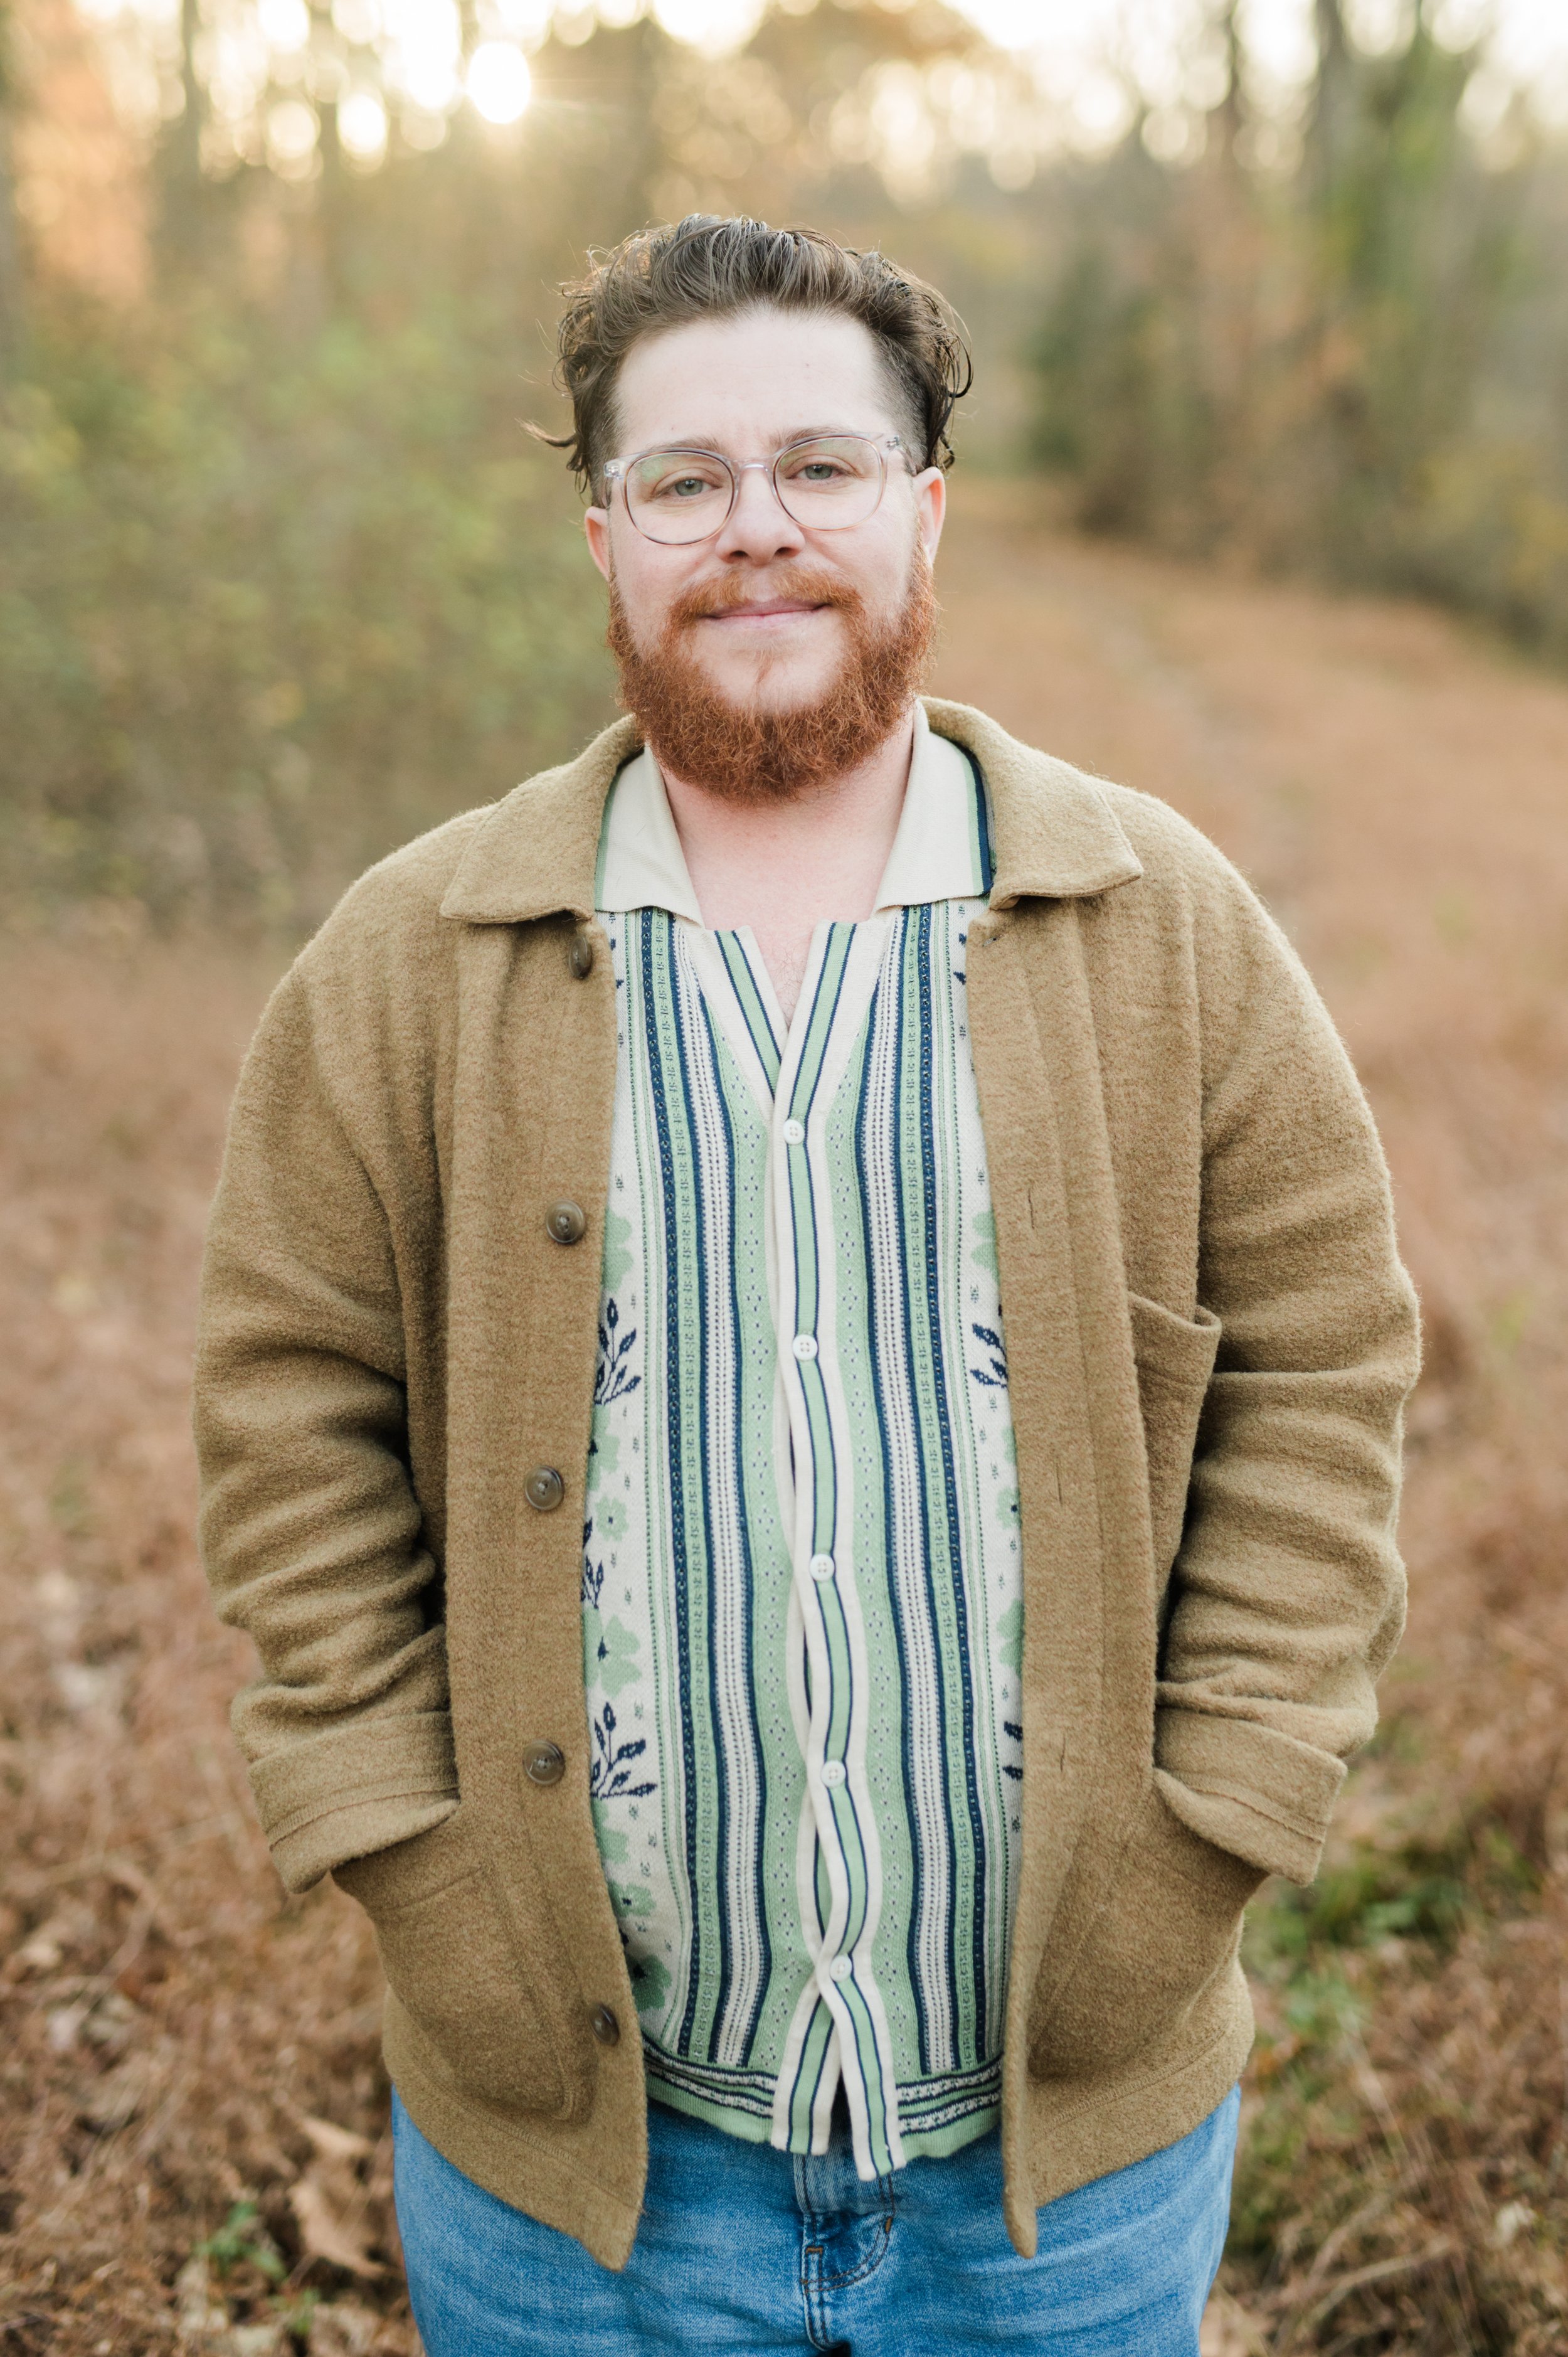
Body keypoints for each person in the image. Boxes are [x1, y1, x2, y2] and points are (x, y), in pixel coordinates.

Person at [194, 215, 1420, 2354]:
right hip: (581, 2184)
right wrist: (410, 1859)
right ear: (604, 538)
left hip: (1064, 2172)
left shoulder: (1164, 928)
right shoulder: (408, 964)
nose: (754, 533)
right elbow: (288, 1406)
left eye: (820, 469)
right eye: (683, 481)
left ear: (923, 507)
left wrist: (1214, 1821)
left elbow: (1326, 1360)